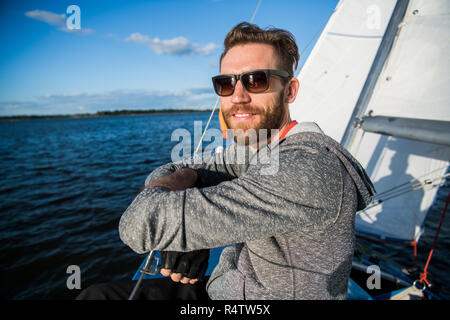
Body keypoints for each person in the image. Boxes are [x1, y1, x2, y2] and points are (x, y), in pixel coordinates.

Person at [76, 22, 375, 300]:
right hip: (226, 287)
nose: (238, 96)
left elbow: (137, 224)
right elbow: (172, 169)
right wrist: (193, 234)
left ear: (290, 91)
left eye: (256, 80)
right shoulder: (260, 151)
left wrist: (183, 210)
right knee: (97, 296)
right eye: (225, 83)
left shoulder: (307, 169)